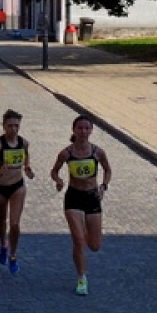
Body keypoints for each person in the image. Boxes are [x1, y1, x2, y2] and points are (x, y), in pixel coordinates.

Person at [50, 115, 111, 296]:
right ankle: (81, 277)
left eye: (86, 128)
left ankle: (84, 231)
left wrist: (104, 186)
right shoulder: (66, 153)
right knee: (78, 240)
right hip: (73, 197)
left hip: (92, 197)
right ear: (74, 130)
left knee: (95, 246)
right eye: (80, 128)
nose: (83, 131)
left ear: (91, 130)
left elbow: (108, 169)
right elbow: (54, 171)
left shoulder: (98, 152)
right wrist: (58, 180)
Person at [0, 109, 34, 275]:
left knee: (15, 224)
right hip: (0, 188)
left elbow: (26, 158)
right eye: (10, 126)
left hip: (18, 187)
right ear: (3, 126)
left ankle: (13, 255)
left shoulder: (23, 143)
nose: (13, 129)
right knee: (1, 221)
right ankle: (4, 244)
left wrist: (27, 168)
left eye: (16, 126)